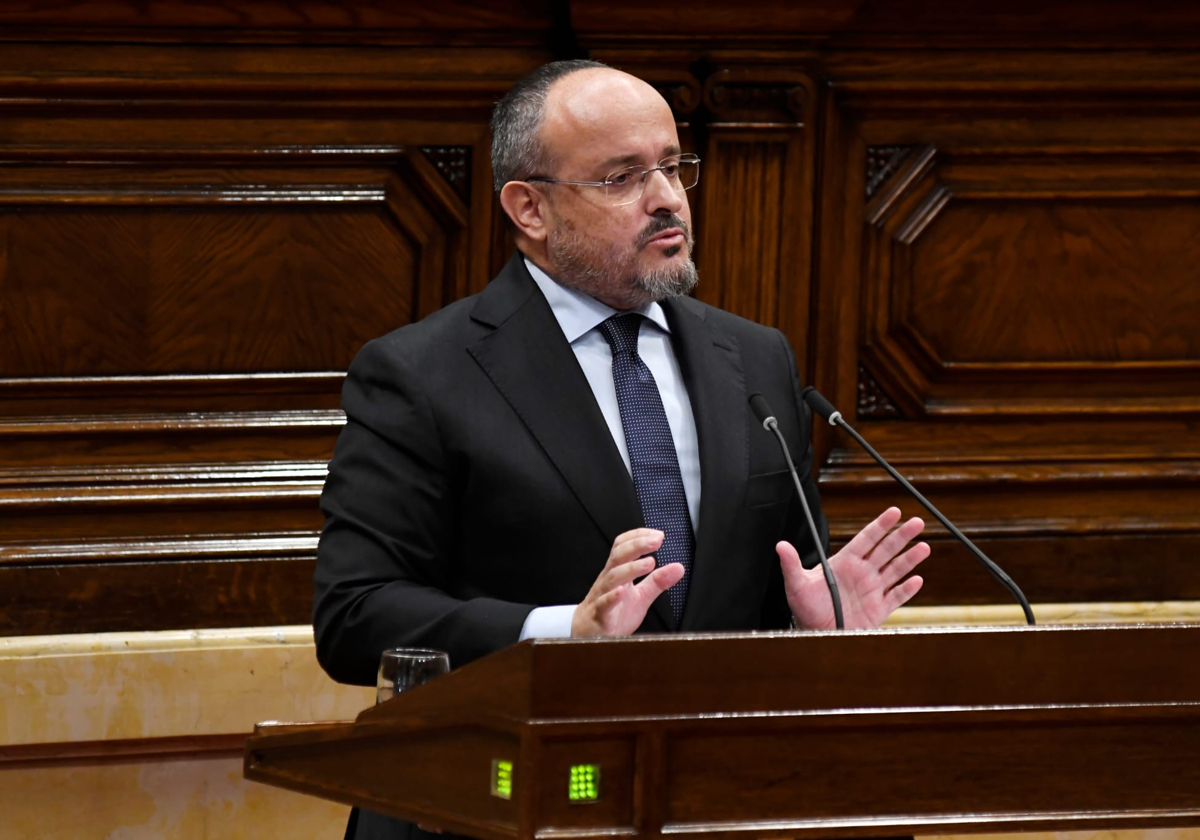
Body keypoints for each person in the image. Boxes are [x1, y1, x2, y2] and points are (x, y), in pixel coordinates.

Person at [313, 59, 930, 840]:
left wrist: (810, 627)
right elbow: (354, 615)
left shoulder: (756, 358)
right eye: (621, 177)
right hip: (499, 805)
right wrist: (564, 631)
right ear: (529, 207)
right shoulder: (420, 373)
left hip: (713, 804)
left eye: (673, 166)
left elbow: (748, 597)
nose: (668, 197)